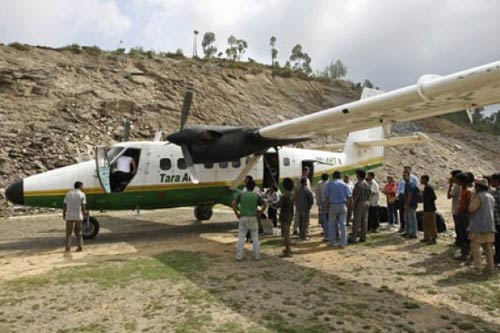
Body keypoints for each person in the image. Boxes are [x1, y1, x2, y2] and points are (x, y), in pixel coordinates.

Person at [232, 179, 267, 261]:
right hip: (253, 218)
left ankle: (239, 256)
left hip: (243, 217)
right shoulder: (256, 196)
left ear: (246, 186)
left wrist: (237, 213)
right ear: (254, 187)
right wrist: (260, 213)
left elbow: (233, 203)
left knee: (241, 238)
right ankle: (257, 256)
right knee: (255, 238)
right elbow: (265, 204)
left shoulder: (241, 195)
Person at [468, 177, 496, 275]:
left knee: (475, 247)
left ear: (479, 187)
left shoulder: (479, 196)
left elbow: (471, 209)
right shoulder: (490, 196)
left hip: (479, 226)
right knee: (488, 248)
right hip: (489, 225)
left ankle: (478, 269)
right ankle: (490, 268)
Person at [325, 171, 352, 248]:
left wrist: (326, 207)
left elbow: (327, 197)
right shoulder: (344, 184)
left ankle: (332, 241)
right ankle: (343, 242)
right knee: (343, 225)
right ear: (340, 176)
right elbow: (349, 196)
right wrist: (346, 205)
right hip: (342, 205)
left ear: (333, 176)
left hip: (332, 205)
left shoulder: (330, 184)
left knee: (332, 224)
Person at [63, 181, 87, 252]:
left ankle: (67, 248)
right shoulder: (82, 194)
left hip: (69, 215)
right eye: (82, 186)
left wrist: (64, 213)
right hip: (78, 215)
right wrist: (84, 213)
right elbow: (83, 205)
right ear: (80, 186)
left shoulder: (68, 193)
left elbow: (65, 205)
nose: (83, 187)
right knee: (78, 233)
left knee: (68, 233)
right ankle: (80, 247)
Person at [455, 172, 475, 261]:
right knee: (462, 235)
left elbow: (468, 204)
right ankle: (464, 253)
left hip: (465, 216)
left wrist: (462, 212)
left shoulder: (468, 191)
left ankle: (466, 254)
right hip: (461, 214)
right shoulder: (462, 190)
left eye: (458, 181)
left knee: (466, 235)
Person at [349, 169, 371, 243]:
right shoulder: (367, 184)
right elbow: (369, 194)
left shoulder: (358, 184)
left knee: (356, 221)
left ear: (359, 175)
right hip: (366, 202)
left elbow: (356, 196)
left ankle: (353, 238)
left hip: (360, 203)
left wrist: (353, 204)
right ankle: (363, 237)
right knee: (364, 221)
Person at [275, 178, 295, 257]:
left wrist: (274, 203)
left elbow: (278, 205)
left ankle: (288, 250)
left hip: (284, 215)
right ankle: (288, 249)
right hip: (290, 214)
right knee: (287, 233)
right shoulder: (292, 194)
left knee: (286, 234)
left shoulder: (284, 195)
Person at [397, 166, 419, 233]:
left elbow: (415, 189)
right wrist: (398, 195)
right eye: (404, 170)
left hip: (410, 198)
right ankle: (404, 228)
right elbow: (399, 187)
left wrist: (409, 201)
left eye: (407, 170)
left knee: (411, 215)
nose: (404, 176)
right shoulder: (401, 178)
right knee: (403, 213)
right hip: (402, 195)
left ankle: (413, 231)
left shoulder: (413, 179)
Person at [420, 175, 438, 244]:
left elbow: (434, 197)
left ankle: (433, 238)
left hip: (430, 209)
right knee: (425, 224)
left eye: (422, 179)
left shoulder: (429, 188)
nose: (420, 181)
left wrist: (427, 199)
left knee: (431, 224)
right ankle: (426, 237)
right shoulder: (425, 188)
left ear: (425, 180)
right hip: (426, 208)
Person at [293, 167, 311, 235]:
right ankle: (295, 229)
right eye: (305, 171)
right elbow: (295, 189)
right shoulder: (298, 179)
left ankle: (306, 230)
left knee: (306, 216)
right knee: (298, 215)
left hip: (306, 200)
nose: (306, 173)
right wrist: (295, 199)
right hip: (299, 199)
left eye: (307, 171)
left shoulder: (308, 180)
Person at [447, 170, 462, 246]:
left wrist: (450, 185)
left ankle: (459, 241)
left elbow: (449, 196)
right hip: (459, 209)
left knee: (458, 226)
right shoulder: (461, 185)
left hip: (456, 209)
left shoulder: (456, 186)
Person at [403, 171, 419, 239]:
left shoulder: (411, 184)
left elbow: (410, 195)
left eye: (405, 176)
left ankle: (413, 233)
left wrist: (408, 204)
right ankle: (408, 231)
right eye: (403, 176)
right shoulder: (406, 184)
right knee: (407, 218)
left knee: (412, 219)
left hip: (411, 204)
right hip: (408, 203)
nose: (404, 177)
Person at [316, 173, 329, 241]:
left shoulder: (319, 184)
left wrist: (318, 204)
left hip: (323, 203)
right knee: (330, 219)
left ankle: (326, 233)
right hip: (330, 203)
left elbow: (318, 194)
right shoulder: (330, 183)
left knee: (324, 219)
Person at [490, 173, 500, 266]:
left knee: (498, 241)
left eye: (492, 180)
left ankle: (497, 259)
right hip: (496, 221)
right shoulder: (495, 191)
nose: (491, 182)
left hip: (498, 221)